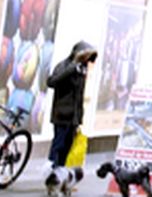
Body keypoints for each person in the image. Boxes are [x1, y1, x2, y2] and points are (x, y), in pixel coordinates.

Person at [46, 41, 97, 194]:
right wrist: (71, 68)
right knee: (58, 146)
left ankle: (60, 179)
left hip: (73, 118)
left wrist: (79, 119)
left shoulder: (82, 69)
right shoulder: (65, 66)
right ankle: (51, 178)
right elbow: (52, 81)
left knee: (65, 150)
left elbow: (79, 97)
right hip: (61, 115)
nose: (87, 60)